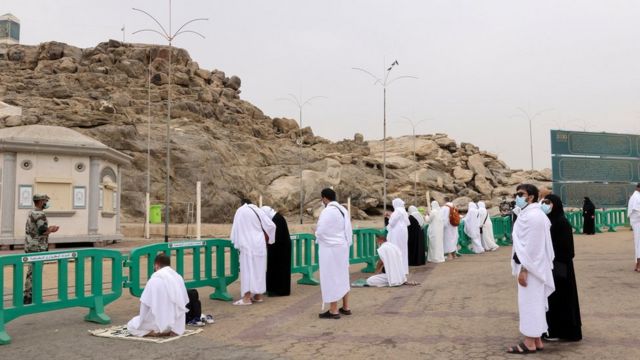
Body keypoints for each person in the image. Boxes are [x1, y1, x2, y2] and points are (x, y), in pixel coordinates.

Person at [507, 184, 555, 354]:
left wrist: (524, 269)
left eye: (521, 194)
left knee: (529, 303)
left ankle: (529, 342)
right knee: (536, 302)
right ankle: (537, 340)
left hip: (531, 268)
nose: (517, 197)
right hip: (534, 267)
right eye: (517, 194)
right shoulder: (530, 214)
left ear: (532, 197)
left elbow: (532, 247)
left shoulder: (533, 216)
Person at [542, 194, 582, 341]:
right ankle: (552, 329)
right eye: (543, 202)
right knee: (553, 299)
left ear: (555, 204)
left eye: (548, 202)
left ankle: (560, 331)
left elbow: (567, 249)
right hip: (553, 266)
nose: (545, 205)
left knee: (560, 299)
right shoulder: (549, 221)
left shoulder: (561, 222)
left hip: (560, 267)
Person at [127, 254, 190, 337]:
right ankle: (169, 330)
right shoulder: (178, 277)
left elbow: (145, 305)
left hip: (157, 326)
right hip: (175, 326)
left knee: (131, 325)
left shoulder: (154, 280)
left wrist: (142, 321)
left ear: (156, 265)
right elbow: (184, 301)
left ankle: (152, 333)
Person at [230, 199, 277, 305]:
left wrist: (236, 241)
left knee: (247, 270)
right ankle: (258, 296)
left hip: (247, 244)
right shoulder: (258, 210)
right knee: (259, 270)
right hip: (259, 243)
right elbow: (271, 226)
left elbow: (236, 228)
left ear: (242, 204)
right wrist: (271, 240)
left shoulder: (241, 210)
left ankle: (246, 298)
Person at [316, 188, 353, 319]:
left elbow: (321, 231)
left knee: (331, 276)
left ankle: (333, 310)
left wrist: (317, 236)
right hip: (342, 247)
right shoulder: (343, 210)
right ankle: (346, 307)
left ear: (325, 198)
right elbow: (348, 230)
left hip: (330, 248)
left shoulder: (327, 211)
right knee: (343, 275)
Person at [23, 194, 59, 304]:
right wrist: (52, 229)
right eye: (45, 201)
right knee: (35, 272)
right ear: (39, 201)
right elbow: (43, 230)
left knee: (31, 271)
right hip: (38, 247)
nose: (47, 203)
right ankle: (31, 296)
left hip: (30, 245)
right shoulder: (40, 214)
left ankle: (28, 295)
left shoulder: (31, 212)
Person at [261, 206, 292, 296]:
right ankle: (271, 288)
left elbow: (277, 236)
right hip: (279, 248)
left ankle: (278, 291)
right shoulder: (277, 217)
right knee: (274, 268)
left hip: (280, 249)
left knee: (279, 269)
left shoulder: (276, 219)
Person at [386, 198, 410, 275]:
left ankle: (397, 269)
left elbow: (392, 223)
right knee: (403, 249)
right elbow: (407, 223)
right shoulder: (404, 211)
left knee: (396, 249)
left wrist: (389, 218)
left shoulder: (397, 211)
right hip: (404, 232)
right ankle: (404, 269)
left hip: (397, 232)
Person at [628, 183, 640, 272]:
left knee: (638, 244)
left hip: (636, 223)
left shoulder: (635, 196)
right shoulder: (636, 197)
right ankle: (638, 265)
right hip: (638, 223)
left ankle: (637, 265)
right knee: (639, 244)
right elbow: (636, 211)